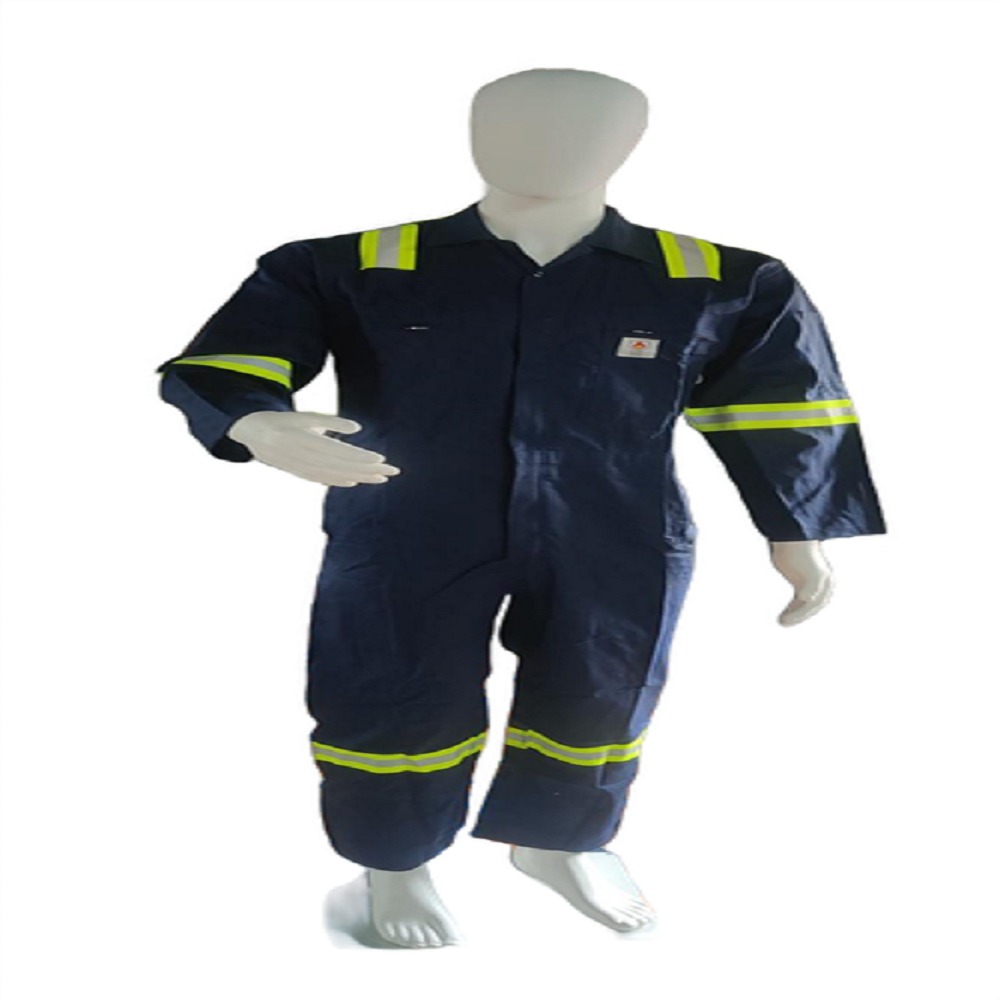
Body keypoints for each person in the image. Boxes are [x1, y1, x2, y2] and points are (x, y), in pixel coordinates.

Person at [155, 67, 886, 949]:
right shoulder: (352, 264)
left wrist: (799, 527)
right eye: (510, 120)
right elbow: (224, 362)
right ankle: (394, 860)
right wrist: (255, 421)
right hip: (406, 526)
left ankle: (558, 843)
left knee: (600, 692)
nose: (544, 141)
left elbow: (786, 405)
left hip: (616, 528)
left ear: (631, 144)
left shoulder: (718, 278)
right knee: (390, 691)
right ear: (470, 131)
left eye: (584, 125)